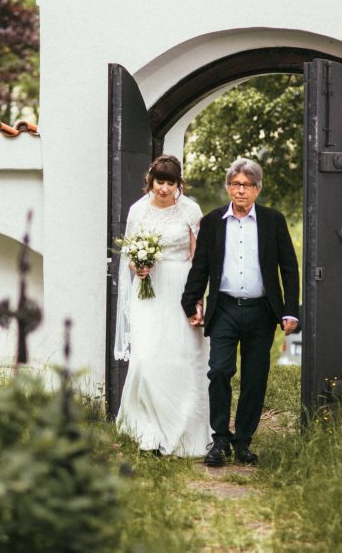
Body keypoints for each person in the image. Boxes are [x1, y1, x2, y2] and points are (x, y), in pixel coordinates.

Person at [181, 157, 299, 466]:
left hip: (261, 311)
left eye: (247, 185)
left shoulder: (273, 221)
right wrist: (190, 300)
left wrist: (290, 311)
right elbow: (201, 266)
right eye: (235, 185)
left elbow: (289, 268)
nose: (241, 191)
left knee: (254, 377)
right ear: (227, 188)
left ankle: (243, 441)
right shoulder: (213, 222)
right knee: (219, 370)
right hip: (225, 308)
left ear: (257, 189)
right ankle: (220, 439)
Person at [114, 154, 212, 456]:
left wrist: (198, 298)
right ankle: (148, 429)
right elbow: (130, 255)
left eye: (171, 183)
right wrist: (138, 268)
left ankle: (185, 430)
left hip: (181, 287)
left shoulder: (191, 210)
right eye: (160, 182)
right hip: (149, 290)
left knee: (183, 357)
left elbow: (198, 258)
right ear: (151, 181)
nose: (165, 189)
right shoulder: (138, 211)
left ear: (178, 183)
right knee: (145, 357)